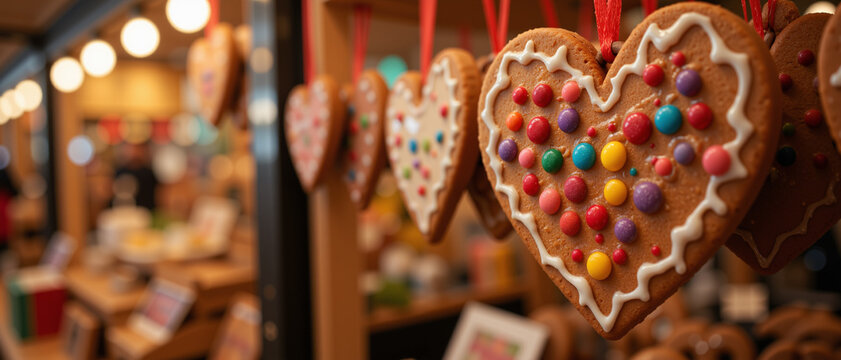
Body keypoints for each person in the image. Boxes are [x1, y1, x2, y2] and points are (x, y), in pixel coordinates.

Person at [113, 142, 159, 210]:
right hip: (123, 211)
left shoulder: (150, 174)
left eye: (138, 148)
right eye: (131, 148)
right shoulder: (119, 172)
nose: (135, 152)